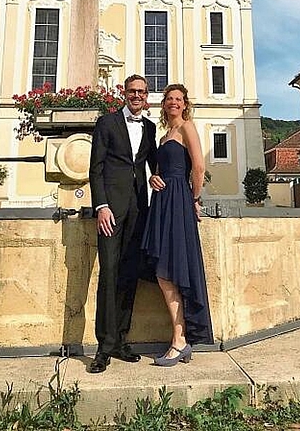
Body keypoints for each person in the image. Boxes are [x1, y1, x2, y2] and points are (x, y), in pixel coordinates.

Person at [88, 74, 158, 374]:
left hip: (138, 208)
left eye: (141, 92)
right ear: (123, 93)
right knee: (109, 274)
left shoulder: (150, 127)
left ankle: (121, 340)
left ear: (146, 96)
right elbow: (96, 168)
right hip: (111, 211)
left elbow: (153, 162)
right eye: (132, 91)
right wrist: (101, 206)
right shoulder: (106, 123)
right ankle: (103, 346)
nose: (137, 96)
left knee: (130, 275)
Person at [141, 83, 213, 366]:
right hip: (161, 200)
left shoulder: (187, 128)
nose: (173, 103)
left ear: (185, 104)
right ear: (164, 105)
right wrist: (152, 179)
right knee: (164, 269)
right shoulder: (163, 137)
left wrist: (194, 198)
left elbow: (199, 167)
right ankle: (180, 338)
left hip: (179, 200)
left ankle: (180, 340)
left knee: (174, 267)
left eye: (178, 99)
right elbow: (158, 171)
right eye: (169, 99)